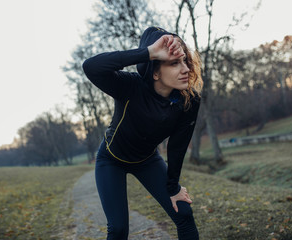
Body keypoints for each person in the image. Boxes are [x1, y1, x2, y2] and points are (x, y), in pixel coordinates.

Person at [82, 26, 203, 240]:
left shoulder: (188, 100)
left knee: (183, 213)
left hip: (147, 161)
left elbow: (177, 146)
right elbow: (91, 66)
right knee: (118, 229)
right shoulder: (129, 86)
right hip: (111, 160)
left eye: (184, 61)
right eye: (174, 63)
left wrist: (173, 187)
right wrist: (149, 52)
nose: (185, 69)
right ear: (155, 71)